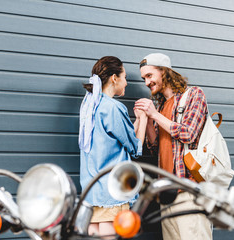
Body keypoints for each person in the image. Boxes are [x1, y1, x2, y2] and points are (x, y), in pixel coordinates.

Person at [134, 53, 212, 240]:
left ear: (164, 72)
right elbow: (155, 149)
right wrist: (146, 116)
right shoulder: (160, 106)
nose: (146, 82)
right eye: (144, 78)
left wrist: (155, 115)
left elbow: (188, 133)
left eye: (150, 76)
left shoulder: (193, 95)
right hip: (166, 195)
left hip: (189, 192)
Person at [79, 56, 147, 238]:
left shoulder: (89, 105)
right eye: (125, 78)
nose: (126, 83)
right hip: (111, 191)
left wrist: (137, 120)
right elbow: (135, 147)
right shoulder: (113, 107)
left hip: (91, 191)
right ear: (114, 78)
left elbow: (116, 137)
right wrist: (145, 119)